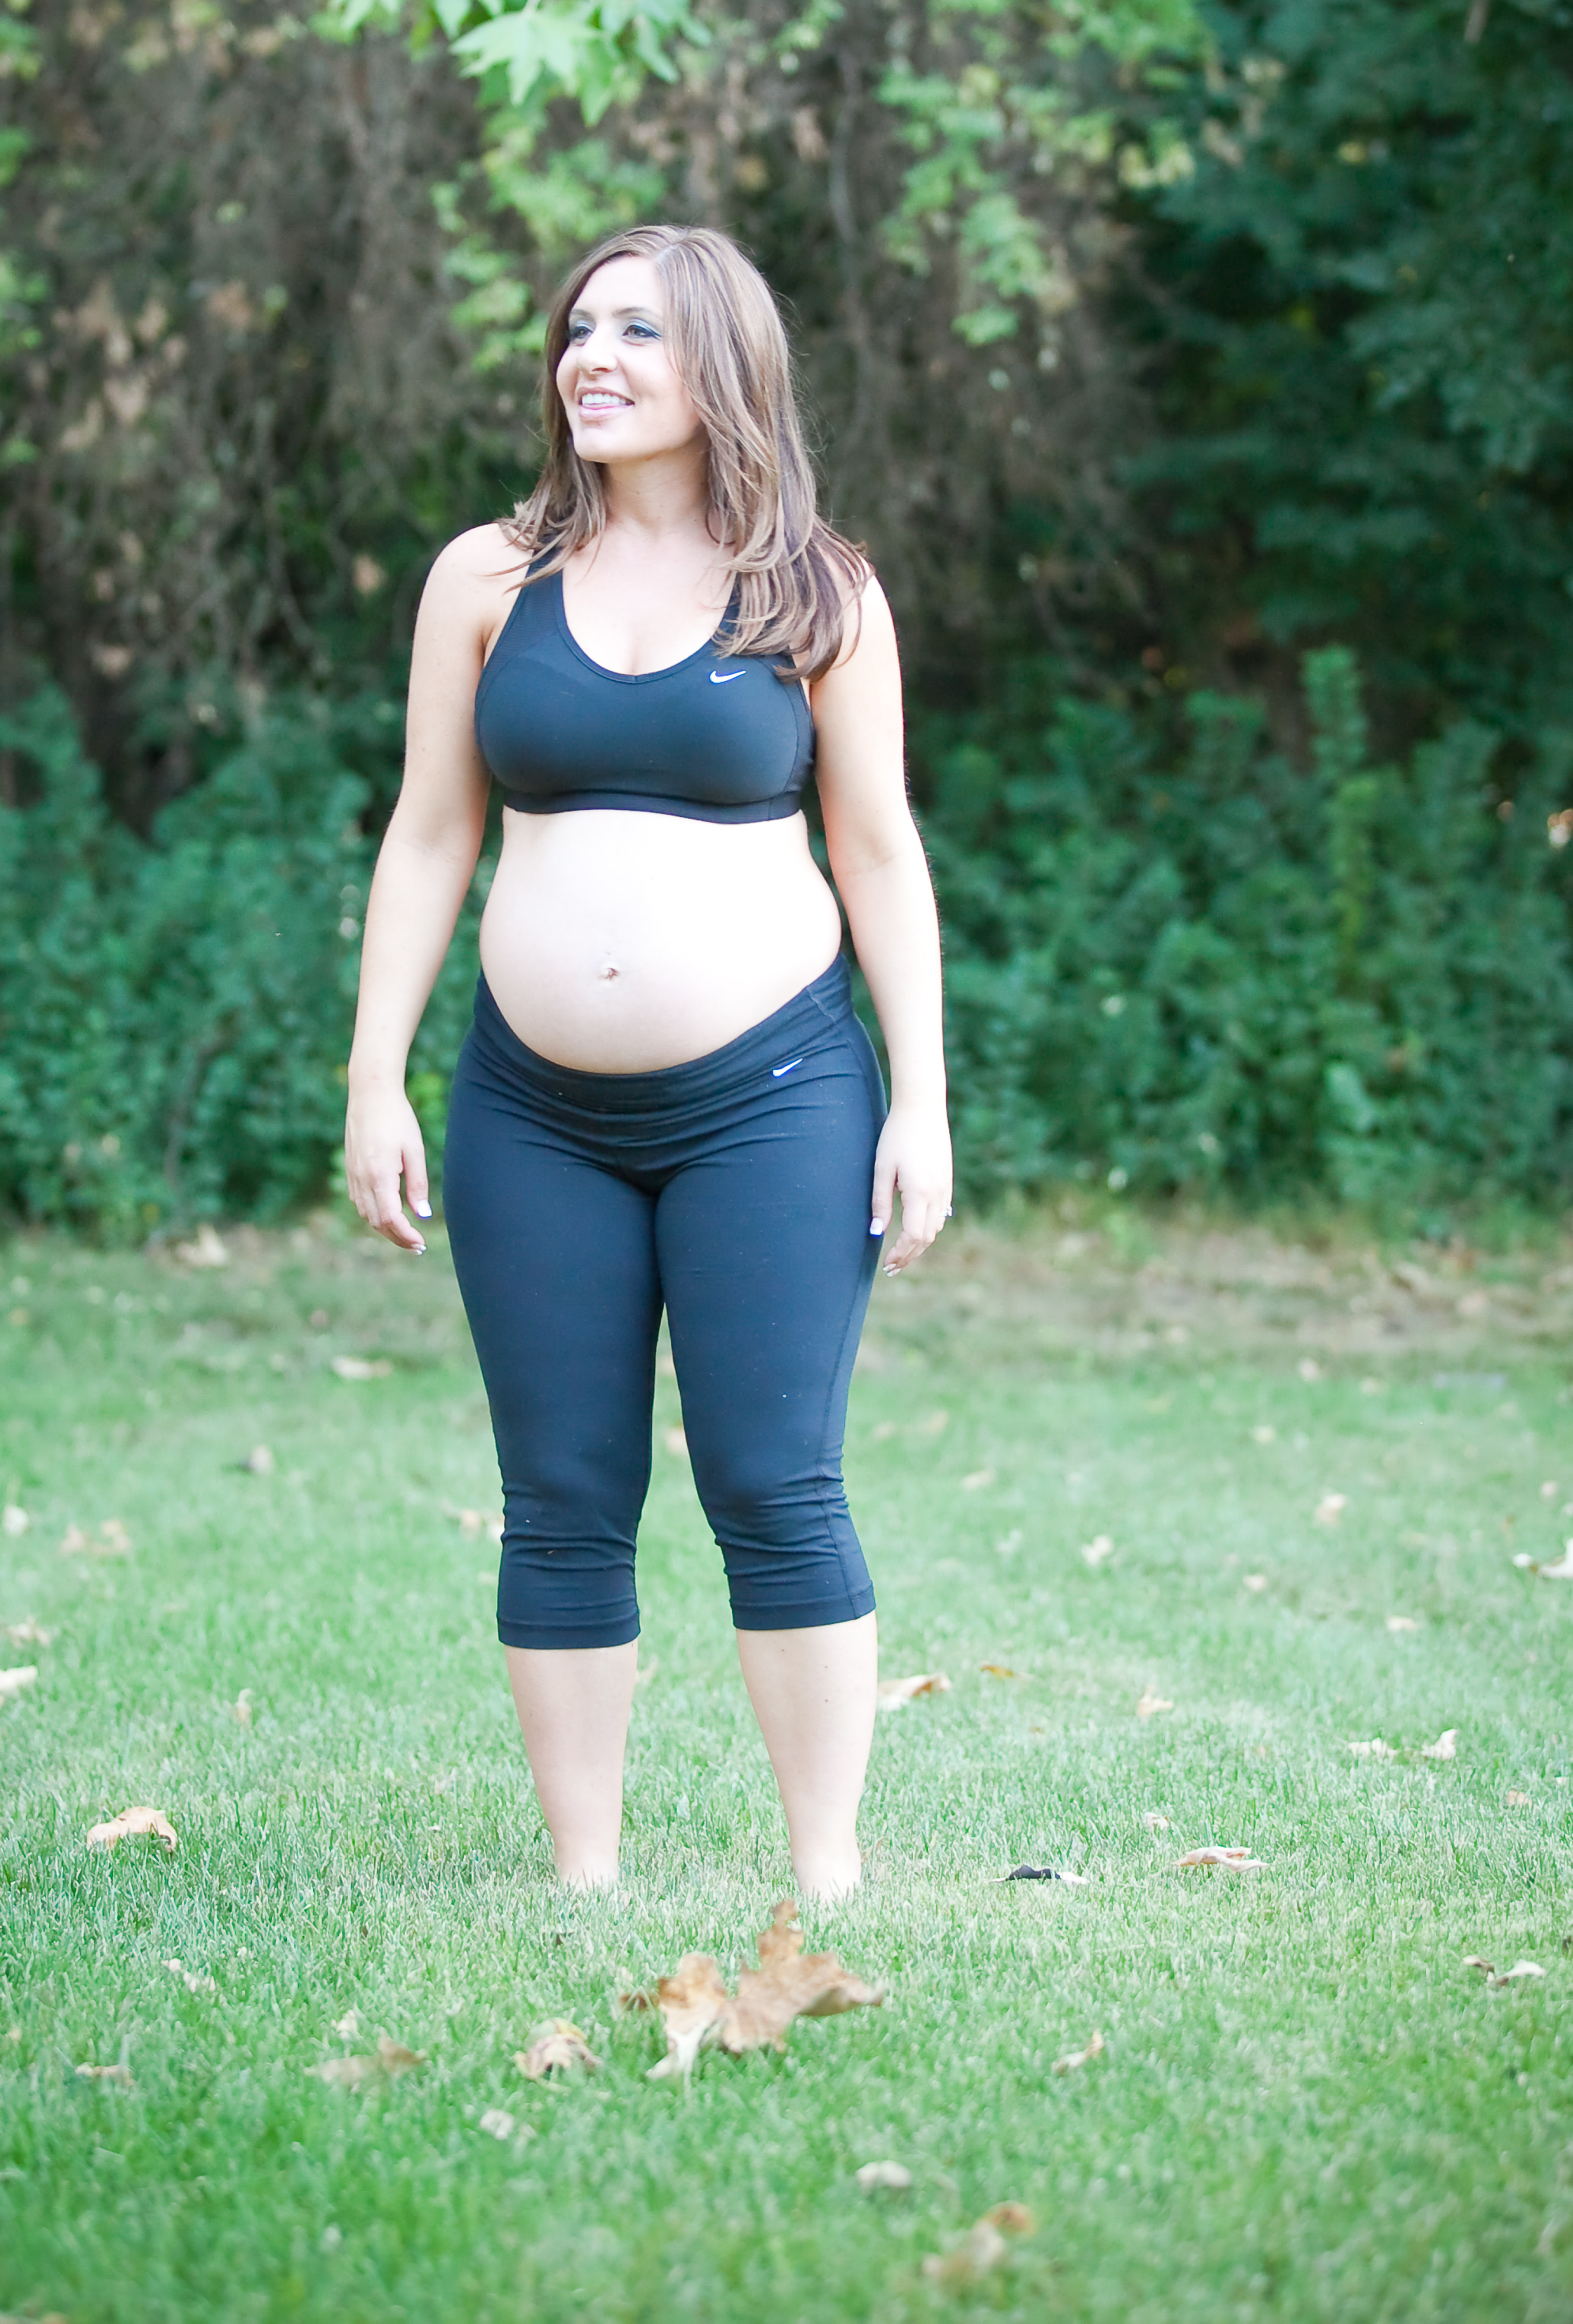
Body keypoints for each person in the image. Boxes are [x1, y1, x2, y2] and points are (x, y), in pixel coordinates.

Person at [341, 224, 951, 1902]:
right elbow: (428, 832)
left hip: (777, 1101)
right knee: (560, 1489)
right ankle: (583, 1875)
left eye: (639, 332)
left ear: (724, 369)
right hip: (531, 1113)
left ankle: (825, 1871)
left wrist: (921, 1099)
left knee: (774, 1478)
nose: (591, 358)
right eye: (579, 327)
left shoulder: (818, 591)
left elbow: (878, 848)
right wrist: (375, 1075)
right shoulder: (487, 579)